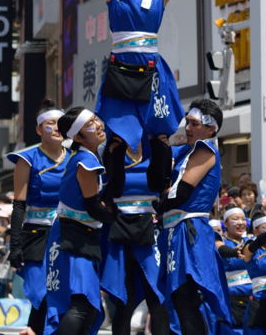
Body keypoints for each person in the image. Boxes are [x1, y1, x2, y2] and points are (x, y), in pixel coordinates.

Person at [86, 0, 196, 166]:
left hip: (152, 69)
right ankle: (112, 192)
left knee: (160, 134)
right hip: (121, 68)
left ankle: (161, 189)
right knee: (117, 136)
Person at [153, 99, 230, 335]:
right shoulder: (187, 151)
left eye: (194, 123)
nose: (188, 128)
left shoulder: (205, 150)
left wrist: (157, 204)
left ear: (211, 128)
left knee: (184, 297)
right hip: (175, 227)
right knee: (180, 299)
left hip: (189, 227)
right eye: (187, 122)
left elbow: (181, 193)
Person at [45, 107, 117, 335]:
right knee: (82, 305)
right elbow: (94, 207)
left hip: (72, 234)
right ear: (77, 136)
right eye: (90, 124)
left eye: (96, 120)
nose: (98, 125)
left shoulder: (84, 157)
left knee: (83, 306)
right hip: (75, 237)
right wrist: (122, 217)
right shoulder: (86, 161)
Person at [6, 103, 67, 335]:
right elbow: (19, 205)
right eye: (49, 124)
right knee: (40, 296)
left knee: (62, 295)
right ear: (39, 130)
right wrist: (15, 245)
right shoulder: (27, 159)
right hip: (36, 236)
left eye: (60, 123)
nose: (56, 128)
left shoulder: (76, 157)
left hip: (66, 234)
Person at [100, 138, 170, 335]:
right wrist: (115, 152)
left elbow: (165, 186)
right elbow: (108, 190)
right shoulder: (109, 151)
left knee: (157, 298)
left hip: (151, 230)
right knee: (124, 300)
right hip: (120, 231)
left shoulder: (157, 149)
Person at [216, 206, 252, 335]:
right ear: (225, 223)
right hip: (232, 296)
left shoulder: (251, 242)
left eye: (243, 219)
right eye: (235, 219)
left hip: (253, 295)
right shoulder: (222, 243)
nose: (241, 223)